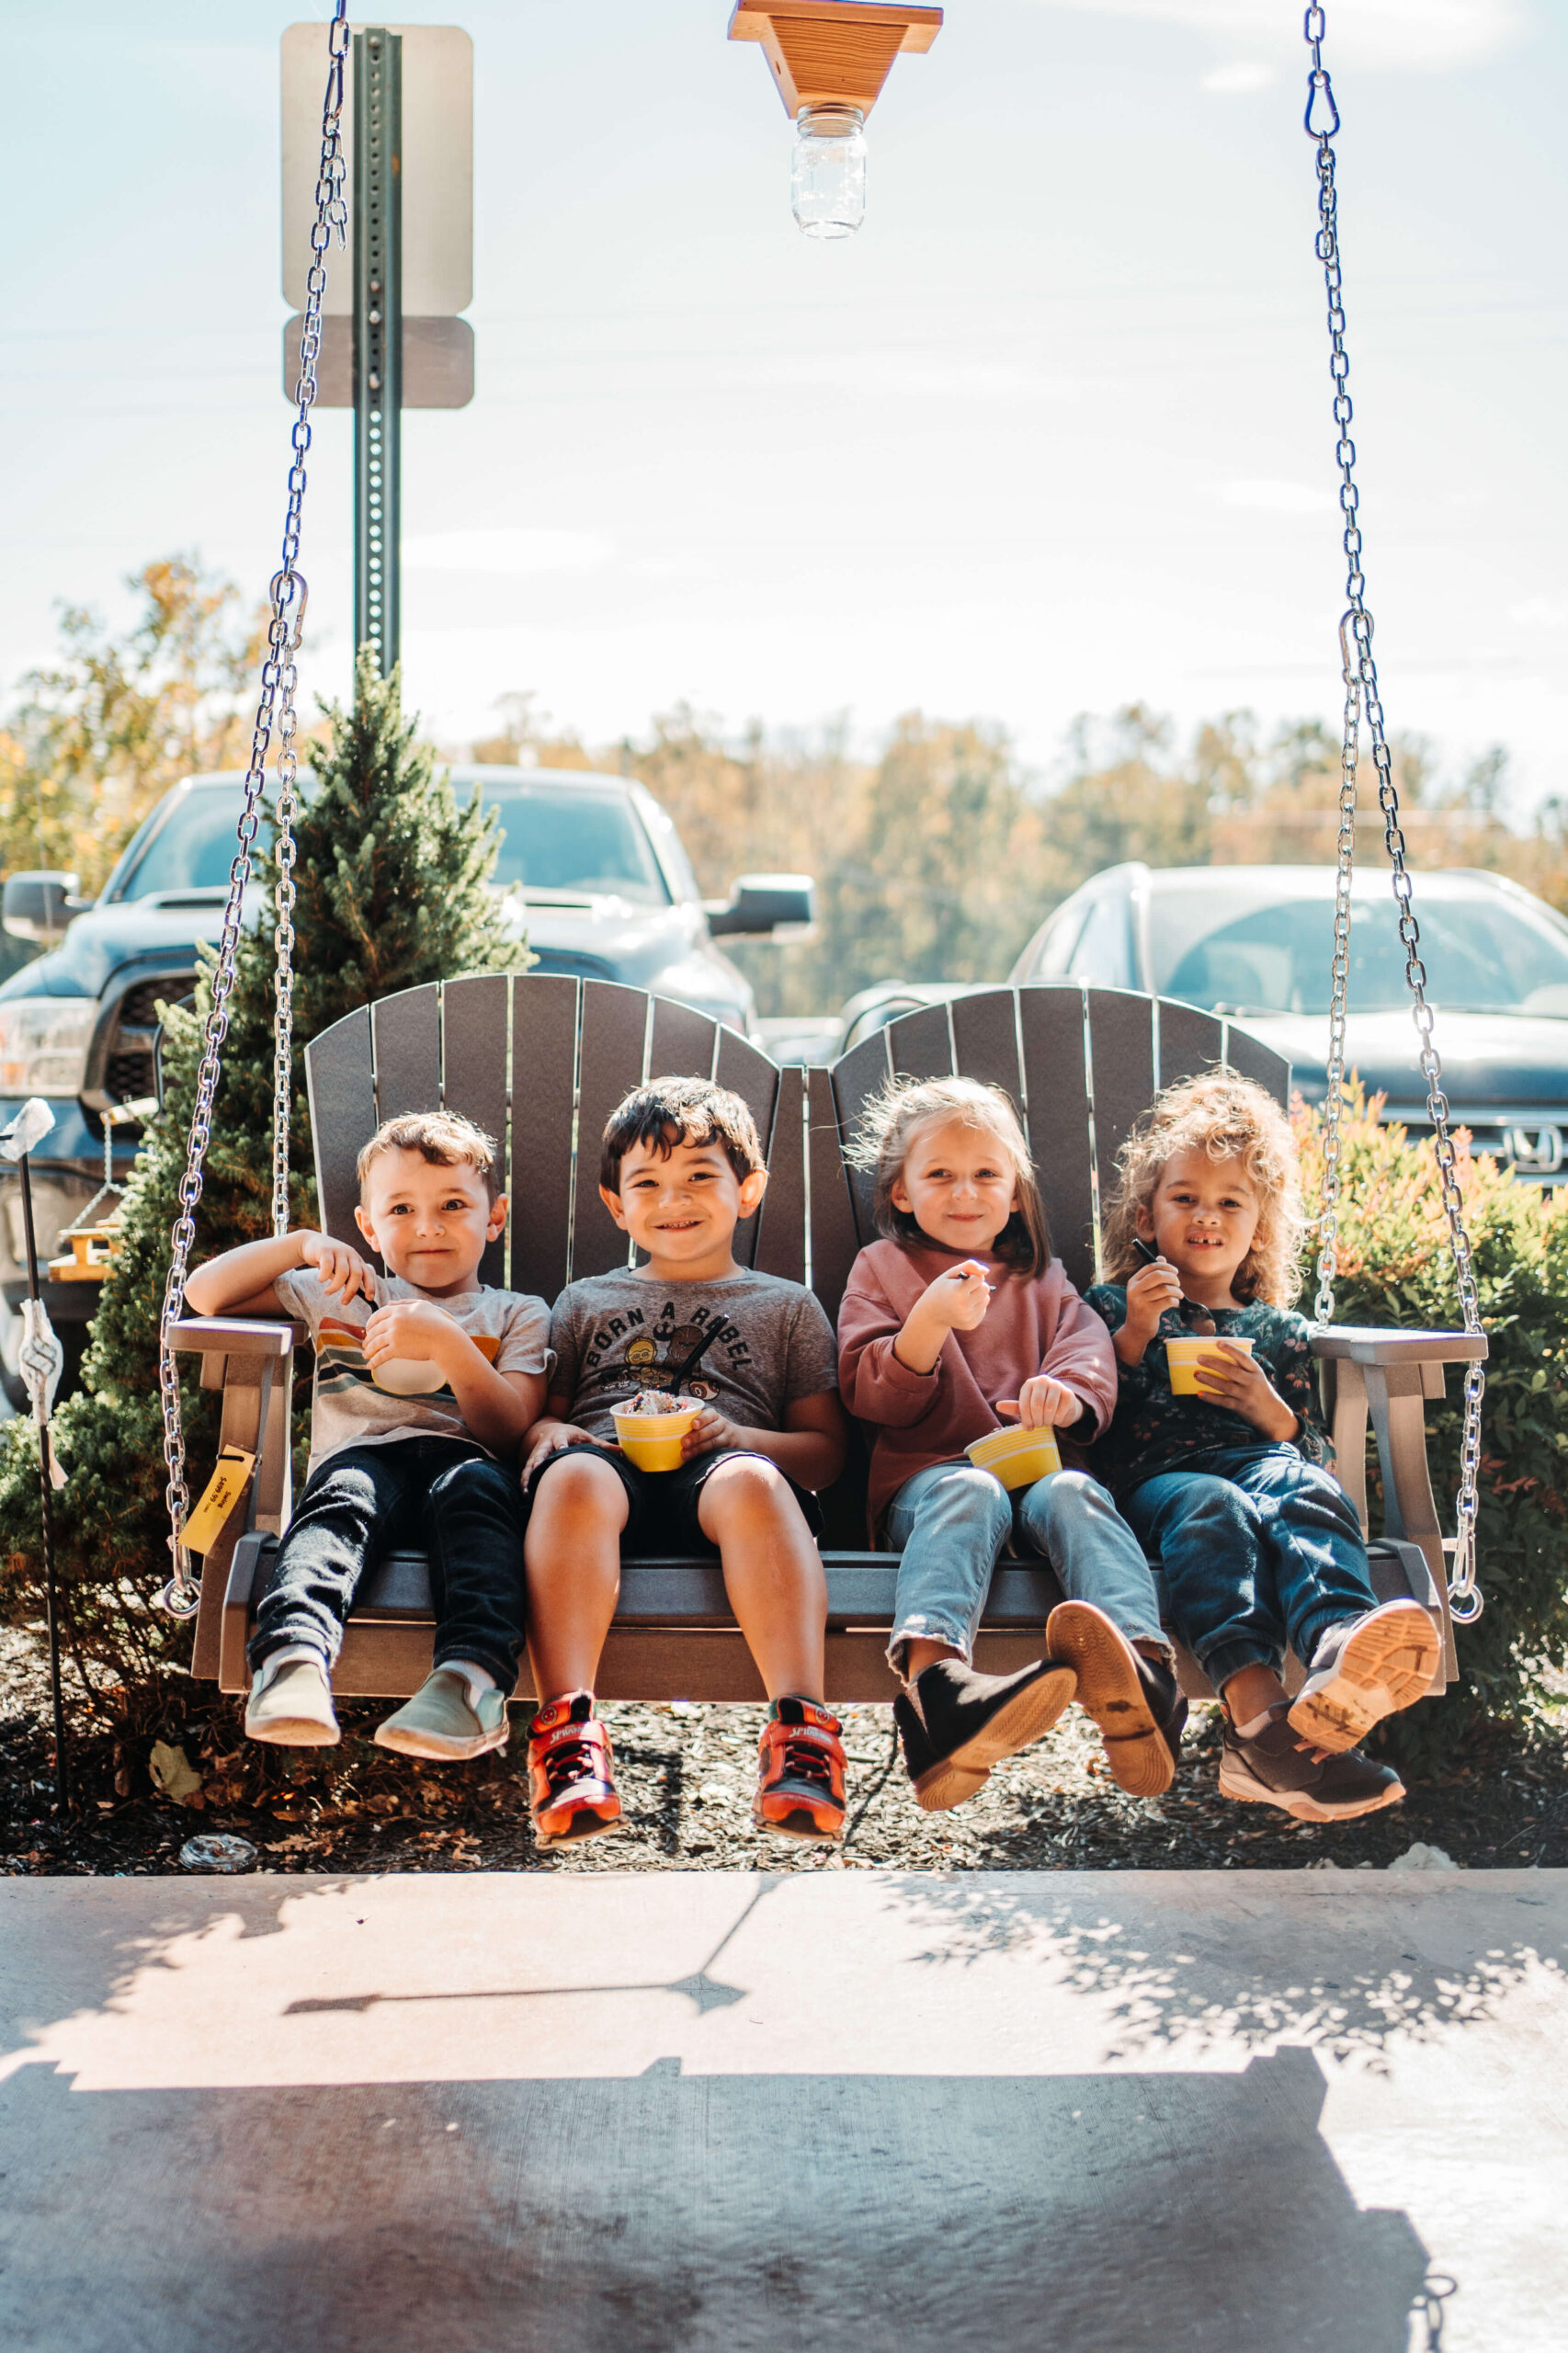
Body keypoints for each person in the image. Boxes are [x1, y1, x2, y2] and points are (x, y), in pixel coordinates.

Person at [1085, 1068, 1440, 1823]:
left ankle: (1339, 1648)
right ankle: (1256, 1720)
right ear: (1146, 1220)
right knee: (1214, 1506)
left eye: (1228, 1203)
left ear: (1257, 1229)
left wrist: (1273, 1414)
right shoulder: (1114, 1304)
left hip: (1262, 1465)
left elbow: (1308, 1451)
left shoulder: (1277, 1331)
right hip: (1161, 1485)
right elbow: (1092, 1418)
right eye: (1184, 1199)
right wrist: (1135, 1334)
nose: (1205, 1217)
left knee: (1308, 1487)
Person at [837, 1074, 1186, 1812]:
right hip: (931, 1487)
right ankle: (940, 1689)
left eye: (986, 1175)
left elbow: (1088, 1352)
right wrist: (927, 1324)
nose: (965, 1192)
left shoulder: (1044, 1280)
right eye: (940, 1175)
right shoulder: (884, 1271)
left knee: (1080, 1493)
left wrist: (1066, 1394)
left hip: (1042, 1479)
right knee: (971, 1487)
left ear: (1017, 1193)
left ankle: (1144, 1675)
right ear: (901, 1193)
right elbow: (867, 1392)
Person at [521, 1076, 850, 1848]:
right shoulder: (583, 1301)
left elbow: (827, 1455)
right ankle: (567, 1735)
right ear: (616, 1205)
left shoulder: (787, 1306)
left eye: (701, 1176)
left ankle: (802, 1734)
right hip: (606, 1469)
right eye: (649, 1183)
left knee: (756, 1485)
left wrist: (743, 1440)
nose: (676, 1198)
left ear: (749, 1190)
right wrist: (544, 1435)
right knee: (568, 1474)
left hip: (726, 1476)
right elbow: (547, 1411)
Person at [184, 1110, 548, 1762]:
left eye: (454, 1204)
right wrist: (299, 1244)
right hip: (363, 1464)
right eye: (401, 1209)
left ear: (494, 1218)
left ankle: (469, 1684)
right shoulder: (344, 1293)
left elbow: (512, 1431)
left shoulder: (519, 1313)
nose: (427, 1226)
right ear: (368, 1227)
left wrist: (447, 1340)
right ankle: (291, 1663)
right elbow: (205, 1294)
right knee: (340, 1499)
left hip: (467, 1468)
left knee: (477, 1495)